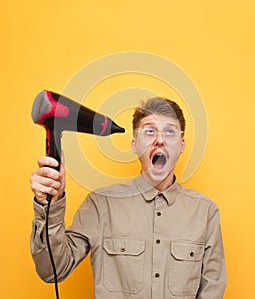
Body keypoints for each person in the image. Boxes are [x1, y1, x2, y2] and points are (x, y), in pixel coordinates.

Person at [30, 97, 226, 299]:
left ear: (181, 145)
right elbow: (52, 270)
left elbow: (213, 288)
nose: (160, 139)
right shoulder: (100, 204)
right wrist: (49, 205)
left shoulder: (205, 212)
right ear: (134, 144)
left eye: (170, 132)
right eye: (149, 131)